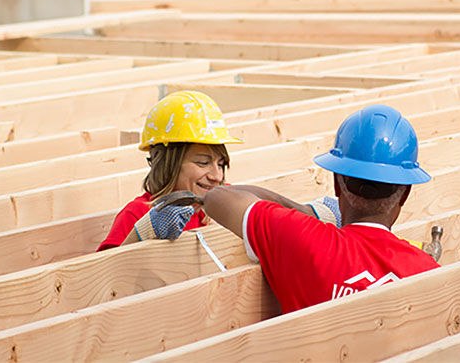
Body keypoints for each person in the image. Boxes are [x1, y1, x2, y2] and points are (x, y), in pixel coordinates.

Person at [173, 104, 441, 313]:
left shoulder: (301, 237)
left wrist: (305, 211)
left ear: (337, 185)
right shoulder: (428, 271)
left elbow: (221, 196)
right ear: (404, 194)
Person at [96, 90, 242, 251]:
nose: (217, 176)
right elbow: (105, 273)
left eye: (221, 164)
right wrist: (142, 233)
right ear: (168, 164)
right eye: (203, 162)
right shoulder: (137, 214)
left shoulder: (223, 201)